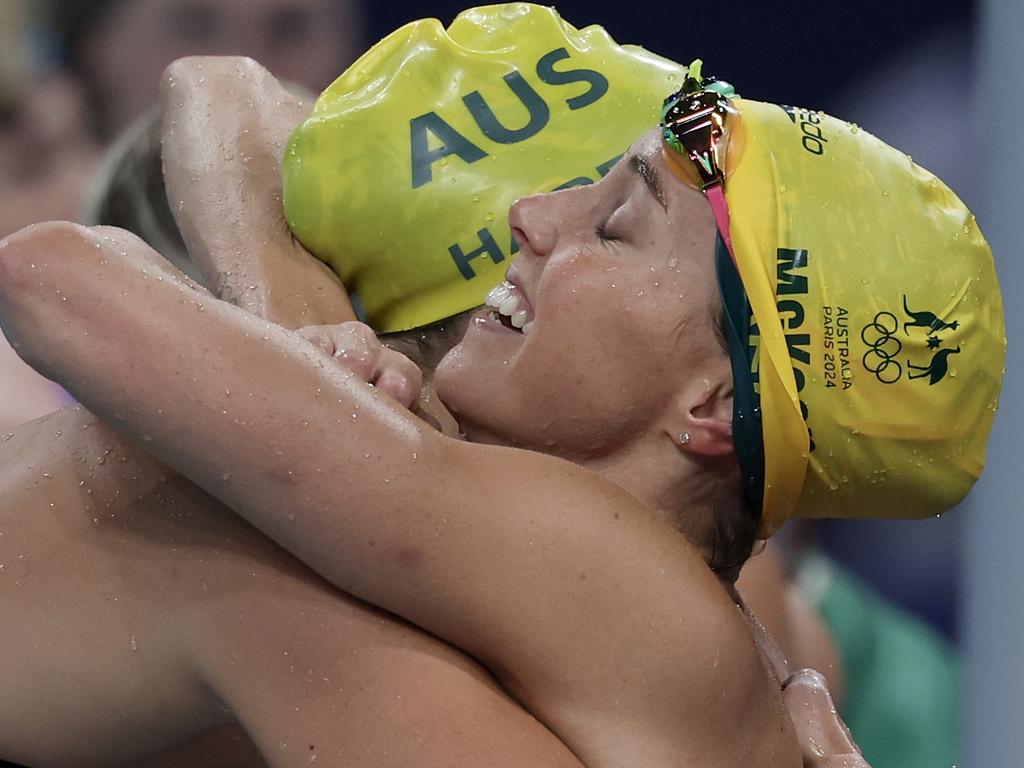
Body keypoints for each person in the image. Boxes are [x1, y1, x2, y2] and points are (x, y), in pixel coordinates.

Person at [0, 5, 1004, 767]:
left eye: (612, 227)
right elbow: (222, 96)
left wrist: (306, 368)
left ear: (710, 408)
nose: (535, 214)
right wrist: (302, 318)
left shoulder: (538, 574)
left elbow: (61, 275)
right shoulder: (673, 612)